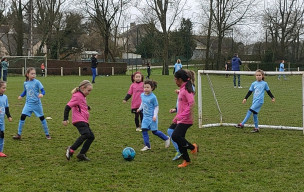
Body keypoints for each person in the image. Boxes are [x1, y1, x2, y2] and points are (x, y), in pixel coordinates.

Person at [13, 67, 51, 140]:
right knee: (22, 116)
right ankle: (19, 134)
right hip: (28, 104)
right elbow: (25, 91)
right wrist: (21, 96)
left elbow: (43, 91)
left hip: (37, 104)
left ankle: (47, 134)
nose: (34, 75)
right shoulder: (25, 83)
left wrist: (42, 94)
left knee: (42, 118)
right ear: (27, 74)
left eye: (34, 73)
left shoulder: (37, 82)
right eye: (32, 73)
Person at [171, 69, 198, 168]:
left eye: (175, 79)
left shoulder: (187, 89)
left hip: (186, 119)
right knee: (179, 139)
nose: (175, 81)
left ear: (180, 79)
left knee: (175, 136)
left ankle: (192, 147)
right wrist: (179, 93)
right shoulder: (183, 88)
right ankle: (187, 160)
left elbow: (191, 103)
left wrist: (180, 116)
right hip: (182, 119)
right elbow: (184, 100)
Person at [63, 80, 95, 161]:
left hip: (84, 120)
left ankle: (81, 154)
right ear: (82, 88)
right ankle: (71, 149)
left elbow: (81, 104)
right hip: (78, 120)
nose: (89, 93)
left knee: (91, 137)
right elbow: (67, 107)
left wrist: (87, 107)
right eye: (88, 90)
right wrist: (65, 119)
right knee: (86, 134)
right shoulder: (77, 96)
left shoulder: (82, 96)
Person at [137, 80, 170, 151]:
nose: (145, 89)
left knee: (154, 132)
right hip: (145, 117)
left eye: (147, 87)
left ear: (152, 88)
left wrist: (155, 115)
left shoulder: (153, 97)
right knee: (144, 130)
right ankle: (147, 146)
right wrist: (140, 108)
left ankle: (166, 138)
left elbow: (156, 107)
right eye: (144, 87)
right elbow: (143, 103)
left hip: (152, 117)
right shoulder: (142, 95)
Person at [0, 81, 12, 157]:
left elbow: (6, 108)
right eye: (3, 88)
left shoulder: (5, 97)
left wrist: (9, 116)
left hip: (1, 121)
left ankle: (0, 151)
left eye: (5, 88)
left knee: (2, 135)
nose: (5, 89)